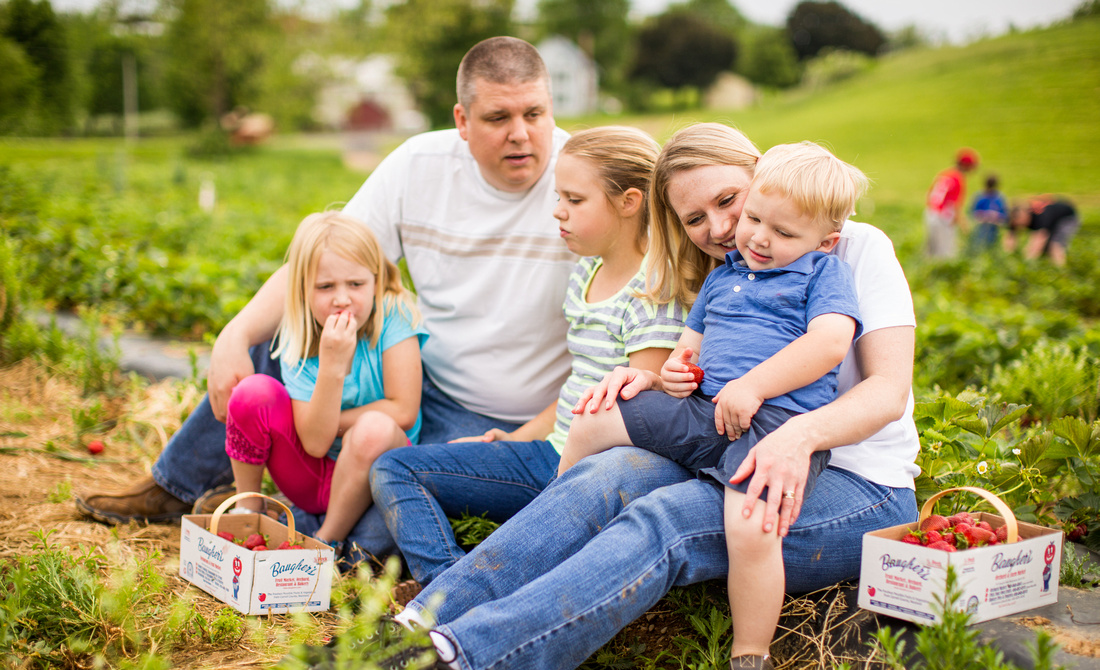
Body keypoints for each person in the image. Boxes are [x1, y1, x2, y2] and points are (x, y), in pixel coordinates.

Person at [303, 123, 920, 670]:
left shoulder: (852, 250)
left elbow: (886, 393)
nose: (724, 227)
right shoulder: (741, 260)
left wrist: (799, 435)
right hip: (733, 448)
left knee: (668, 521)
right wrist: (652, 381)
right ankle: (417, 627)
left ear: (759, 173)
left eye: (730, 200)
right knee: (603, 473)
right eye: (695, 217)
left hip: (855, 483)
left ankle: (465, 664)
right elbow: (702, 371)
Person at [76, 37, 575, 562]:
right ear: (463, 120)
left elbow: (610, 338)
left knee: (373, 542)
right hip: (417, 375)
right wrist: (236, 335)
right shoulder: (419, 166)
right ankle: (179, 487)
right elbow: (322, 265)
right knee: (289, 331)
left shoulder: (581, 182)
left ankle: (300, 524)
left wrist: (522, 438)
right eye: (498, 117)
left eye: (534, 113)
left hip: (500, 417)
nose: (520, 134)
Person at [557, 142, 866, 670]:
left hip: (773, 426)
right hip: (705, 411)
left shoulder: (824, 273)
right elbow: (688, 351)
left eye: (783, 232)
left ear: (824, 240)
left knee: (750, 524)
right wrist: (671, 373)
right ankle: (564, 525)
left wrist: (753, 386)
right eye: (754, 219)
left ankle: (751, 663)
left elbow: (828, 343)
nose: (757, 238)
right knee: (595, 415)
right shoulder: (726, 276)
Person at [367, 126, 684, 585]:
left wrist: (562, 478)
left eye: (575, 200)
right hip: (546, 454)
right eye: (559, 197)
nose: (558, 212)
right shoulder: (587, 273)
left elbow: (638, 420)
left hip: (585, 477)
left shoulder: (652, 296)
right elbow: (581, 387)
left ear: (629, 202)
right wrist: (513, 439)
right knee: (394, 467)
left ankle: (455, 595)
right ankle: (447, 582)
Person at [224, 212, 426, 550]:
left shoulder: (394, 316)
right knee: (252, 394)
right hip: (311, 475)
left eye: (356, 284)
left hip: (377, 473)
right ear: (302, 290)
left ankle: (325, 542)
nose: (342, 299)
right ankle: (247, 508)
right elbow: (314, 444)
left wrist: (330, 422)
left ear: (376, 280)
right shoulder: (300, 333)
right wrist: (332, 363)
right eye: (325, 287)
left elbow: (403, 411)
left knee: (373, 429)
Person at [924, 147, 979, 259]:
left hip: (930, 212)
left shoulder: (944, 173)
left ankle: (928, 272)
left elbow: (929, 193)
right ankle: (942, 274)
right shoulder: (958, 178)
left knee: (931, 250)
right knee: (945, 253)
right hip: (944, 217)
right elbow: (955, 205)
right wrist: (964, 224)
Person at [1005, 196, 1078, 267]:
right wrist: (1010, 256)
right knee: (1045, 247)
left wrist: (1027, 261)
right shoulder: (1014, 219)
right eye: (1016, 224)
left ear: (1025, 215)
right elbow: (1010, 239)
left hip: (1066, 218)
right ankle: (1048, 267)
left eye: (1020, 222)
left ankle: (1061, 270)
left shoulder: (1039, 217)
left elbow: (1039, 241)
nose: (1020, 226)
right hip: (1051, 219)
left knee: (1054, 245)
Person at [968, 174, 1008, 252]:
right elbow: (972, 213)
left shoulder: (999, 198)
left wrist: (996, 216)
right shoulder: (980, 197)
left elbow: (1005, 216)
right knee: (978, 244)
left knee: (992, 246)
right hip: (980, 226)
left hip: (994, 227)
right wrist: (983, 216)